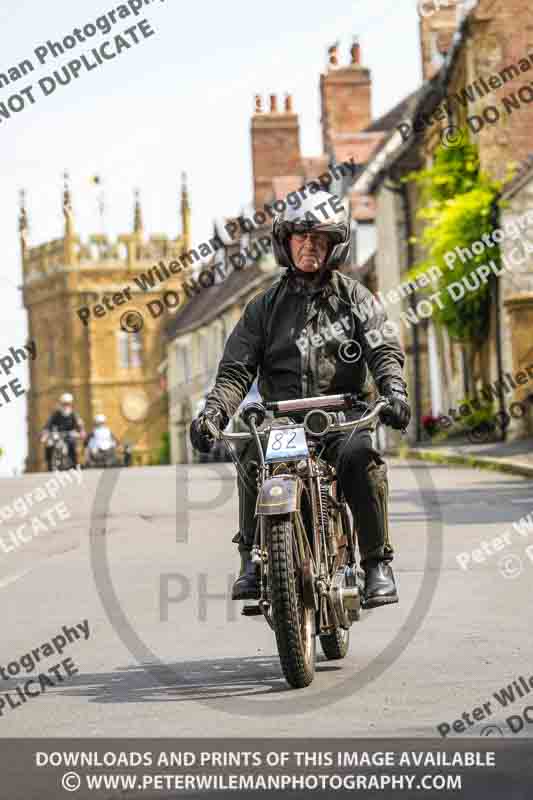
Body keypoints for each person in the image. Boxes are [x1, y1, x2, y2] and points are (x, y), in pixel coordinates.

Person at [189, 191, 411, 608]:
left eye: (320, 238)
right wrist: (214, 412)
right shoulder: (263, 308)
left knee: (360, 458)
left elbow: (383, 350)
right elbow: (236, 370)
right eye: (300, 236)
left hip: (341, 416)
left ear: (335, 245)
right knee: (253, 452)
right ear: (285, 242)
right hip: (284, 421)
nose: (310, 245)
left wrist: (393, 389)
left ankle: (377, 564)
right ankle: (252, 559)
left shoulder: (356, 298)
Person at [41, 393, 85, 471]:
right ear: (61, 403)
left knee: (73, 445)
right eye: (64, 403)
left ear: (71, 404)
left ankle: (74, 464)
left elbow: (79, 425)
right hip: (57, 434)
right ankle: (49, 463)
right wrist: (45, 434)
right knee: (49, 445)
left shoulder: (74, 414)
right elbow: (48, 424)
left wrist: (81, 432)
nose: (66, 406)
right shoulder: (56, 414)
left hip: (70, 435)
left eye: (68, 404)